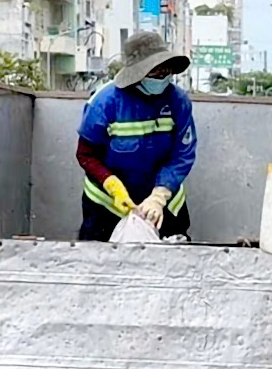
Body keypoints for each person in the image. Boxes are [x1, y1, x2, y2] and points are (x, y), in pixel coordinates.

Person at [75, 31, 196, 241]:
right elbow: (86, 154)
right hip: (107, 204)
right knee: (101, 263)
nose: (162, 76)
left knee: (173, 263)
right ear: (137, 73)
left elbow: (182, 154)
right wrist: (112, 185)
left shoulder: (178, 101)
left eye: (166, 70)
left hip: (163, 201)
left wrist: (159, 196)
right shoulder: (104, 103)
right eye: (155, 71)